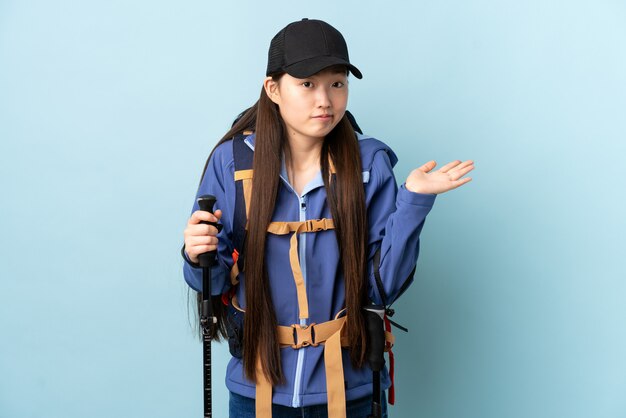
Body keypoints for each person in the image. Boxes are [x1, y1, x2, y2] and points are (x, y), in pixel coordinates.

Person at [182, 18, 474, 418]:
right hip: (256, 394)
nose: (325, 99)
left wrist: (414, 201)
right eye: (307, 84)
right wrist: (198, 253)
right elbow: (212, 284)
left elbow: (380, 288)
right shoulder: (231, 163)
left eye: (337, 83)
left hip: (348, 392)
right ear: (273, 89)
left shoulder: (368, 163)